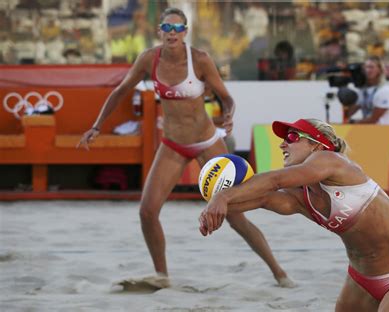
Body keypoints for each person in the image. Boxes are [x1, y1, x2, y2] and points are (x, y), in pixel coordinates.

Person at [78, 7, 292, 288]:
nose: (172, 33)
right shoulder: (148, 59)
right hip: (173, 144)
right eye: (167, 28)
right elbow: (120, 92)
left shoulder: (200, 60)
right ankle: (162, 275)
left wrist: (228, 115)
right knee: (147, 211)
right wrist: (96, 125)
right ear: (159, 31)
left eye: (178, 28)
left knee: (235, 216)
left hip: (207, 142)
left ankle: (279, 273)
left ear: (185, 32)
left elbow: (226, 98)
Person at [199, 118, 389, 311]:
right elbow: (262, 198)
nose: (282, 145)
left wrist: (223, 198)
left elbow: (274, 180)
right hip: (360, 280)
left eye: (291, 138)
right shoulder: (303, 198)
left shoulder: (331, 161)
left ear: (317, 145)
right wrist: (213, 209)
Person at [344, 56, 389, 124]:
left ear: (379, 70)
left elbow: (373, 120)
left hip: (382, 131)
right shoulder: (363, 90)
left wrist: (352, 122)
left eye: (371, 67)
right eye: (366, 67)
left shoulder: (384, 90)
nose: (368, 70)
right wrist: (346, 99)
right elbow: (348, 114)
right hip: (367, 130)